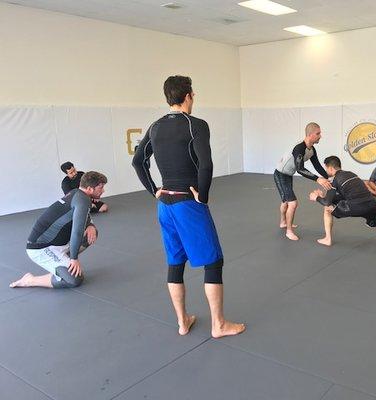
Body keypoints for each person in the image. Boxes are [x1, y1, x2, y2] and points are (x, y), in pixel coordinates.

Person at [132, 75, 245, 339]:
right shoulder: (196, 125)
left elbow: (138, 161)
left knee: (175, 262)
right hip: (187, 203)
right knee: (214, 262)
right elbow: (205, 165)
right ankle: (218, 324)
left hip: (165, 205)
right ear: (188, 96)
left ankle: (183, 321)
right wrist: (202, 196)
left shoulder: (156, 126)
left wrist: (154, 190)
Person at [10, 171, 107, 289]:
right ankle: (30, 280)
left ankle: (62, 265)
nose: (103, 191)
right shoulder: (83, 200)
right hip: (40, 248)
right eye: (100, 188)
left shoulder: (77, 193)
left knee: (92, 233)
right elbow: (77, 231)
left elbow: (81, 217)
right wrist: (74, 259)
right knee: (74, 279)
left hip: (58, 244)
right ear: (90, 189)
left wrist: (90, 225)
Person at [309, 156, 376, 250]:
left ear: (330, 168)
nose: (326, 171)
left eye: (326, 168)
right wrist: (324, 197)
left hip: (355, 206)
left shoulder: (334, 180)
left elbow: (327, 202)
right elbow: (344, 195)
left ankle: (328, 239)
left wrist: (317, 197)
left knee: (327, 209)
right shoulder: (351, 174)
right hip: (371, 203)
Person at [274, 122, 332, 241]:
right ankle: (289, 231)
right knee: (293, 203)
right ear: (310, 135)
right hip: (280, 175)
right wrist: (318, 179)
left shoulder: (311, 150)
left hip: (288, 175)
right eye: (318, 133)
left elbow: (317, 166)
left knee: (286, 200)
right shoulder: (299, 148)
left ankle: (283, 222)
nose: (320, 136)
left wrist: (329, 177)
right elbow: (300, 169)